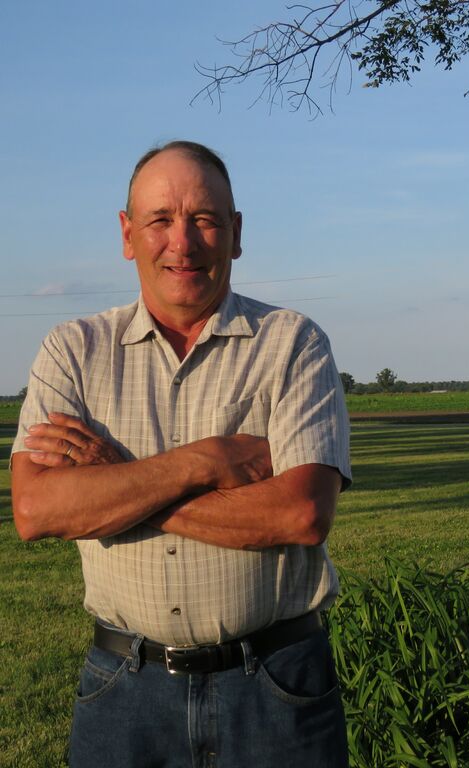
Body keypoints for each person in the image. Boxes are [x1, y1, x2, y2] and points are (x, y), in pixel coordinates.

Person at [11, 140, 352, 767]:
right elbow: (37, 509)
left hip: (275, 686)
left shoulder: (292, 344)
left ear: (236, 233)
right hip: (124, 690)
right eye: (160, 219)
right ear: (127, 234)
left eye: (204, 219)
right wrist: (206, 462)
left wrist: (113, 486)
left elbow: (301, 514)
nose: (183, 242)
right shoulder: (73, 350)